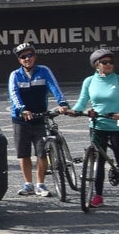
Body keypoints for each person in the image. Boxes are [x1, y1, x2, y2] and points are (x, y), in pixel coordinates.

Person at [72, 48, 119, 209]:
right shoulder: (89, 81)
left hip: (117, 126)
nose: (109, 65)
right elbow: (82, 101)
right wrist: (74, 111)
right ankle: (98, 196)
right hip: (97, 125)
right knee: (99, 161)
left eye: (111, 62)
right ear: (96, 65)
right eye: (105, 62)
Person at [7, 42, 71, 198]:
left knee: (42, 153)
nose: (27, 59)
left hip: (40, 117)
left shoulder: (44, 71)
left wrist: (62, 103)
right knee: (24, 154)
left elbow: (54, 87)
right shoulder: (15, 75)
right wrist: (22, 109)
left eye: (30, 55)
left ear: (34, 56)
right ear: (19, 60)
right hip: (21, 119)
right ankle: (28, 184)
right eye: (23, 57)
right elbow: (14, 95)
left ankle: (40, 184)